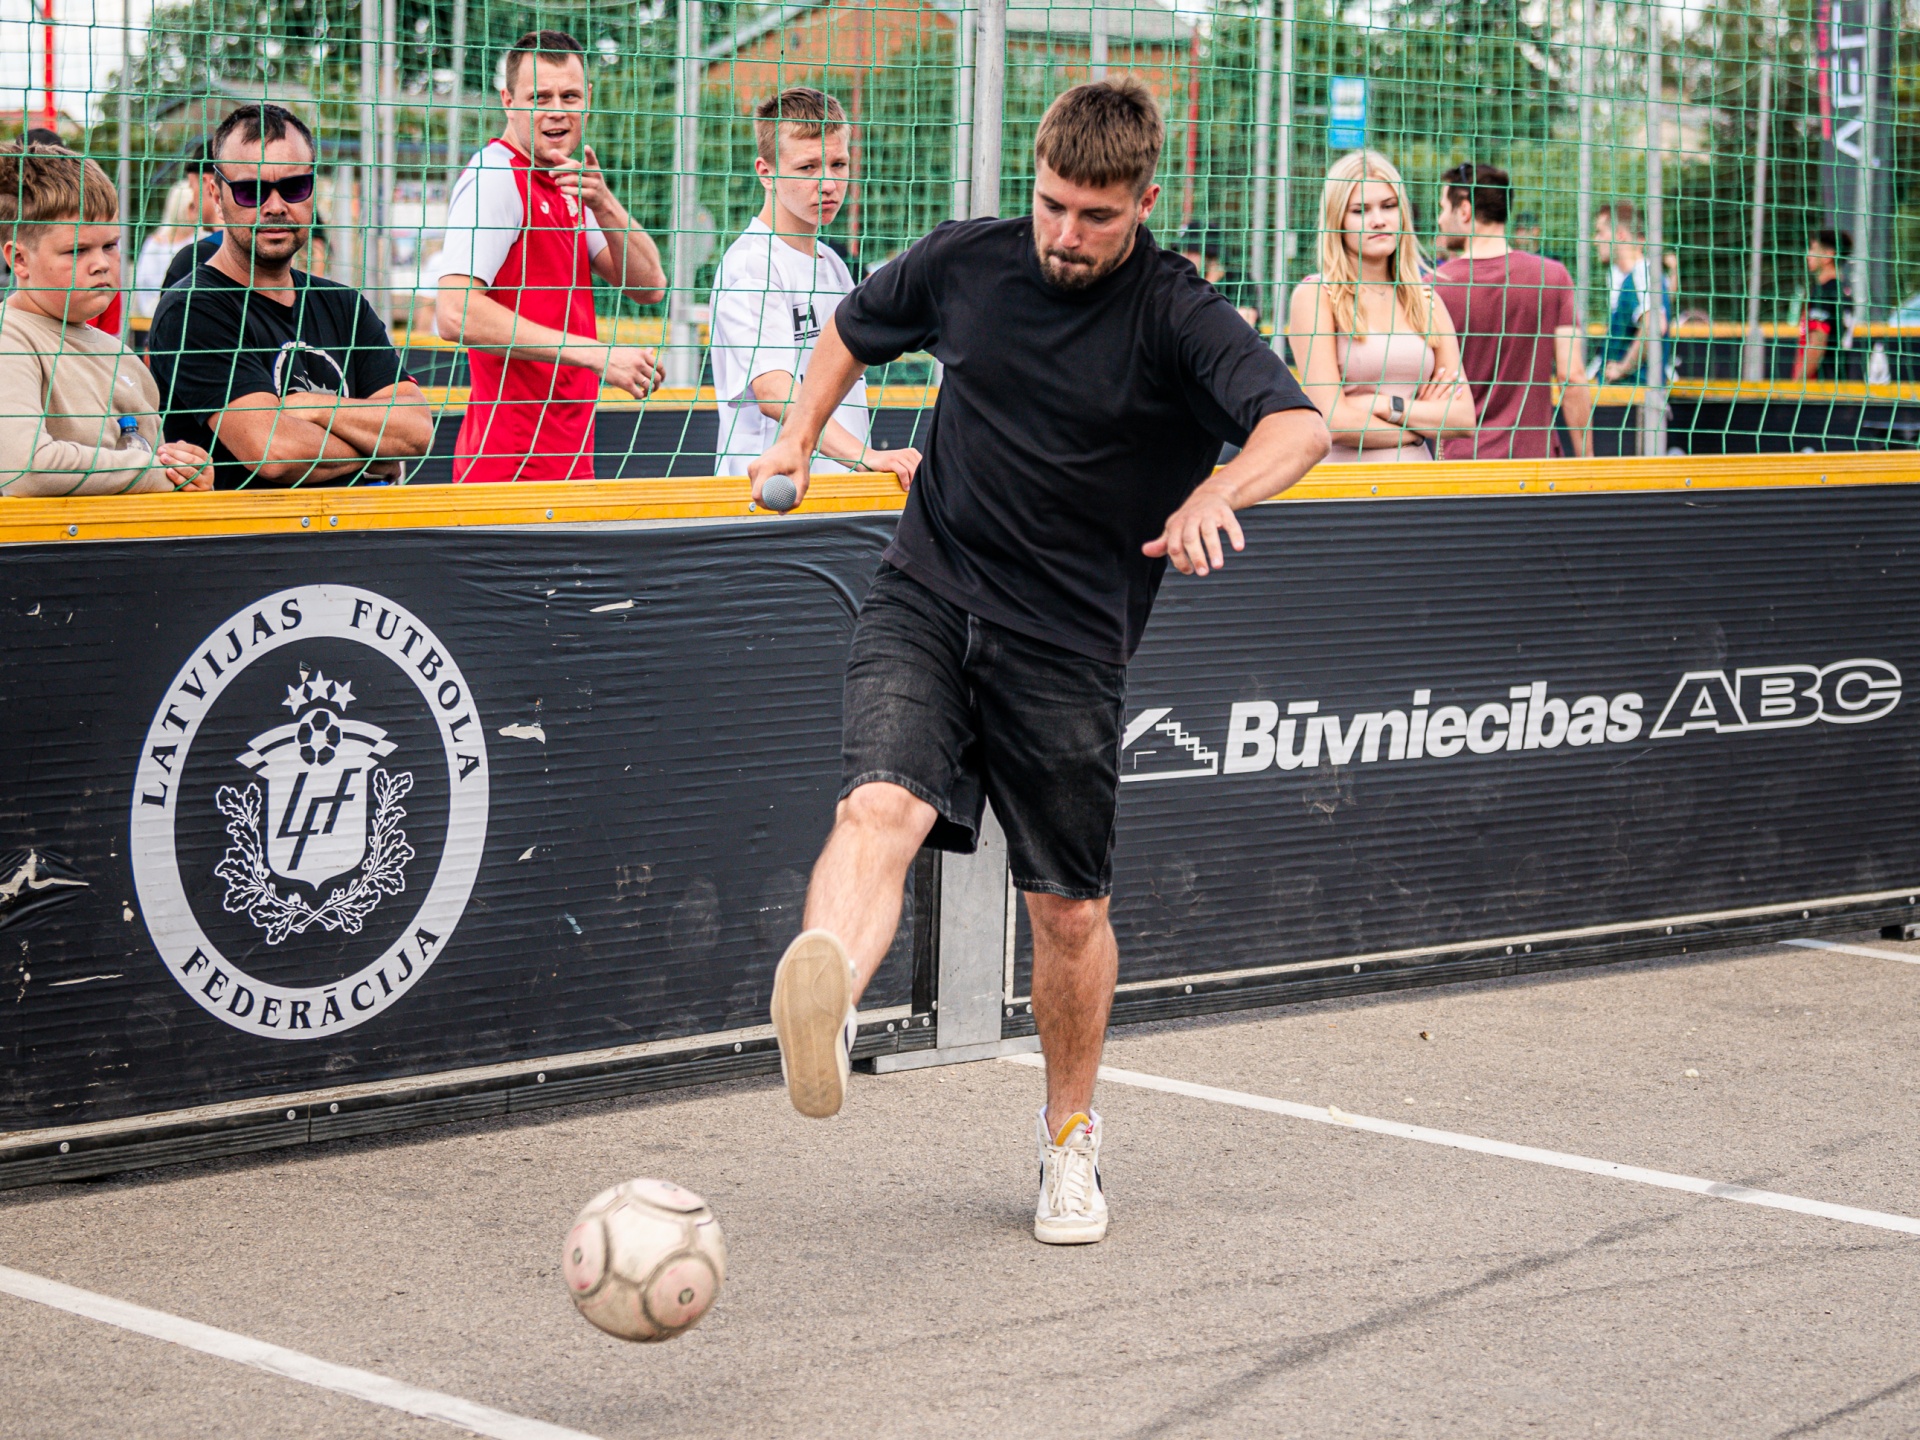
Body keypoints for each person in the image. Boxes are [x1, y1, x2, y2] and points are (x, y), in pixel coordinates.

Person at [748, 79, 1330, 1245]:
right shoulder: (969, 261)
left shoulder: (1177, 315)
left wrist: (1218, 489)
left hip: (1065, 643)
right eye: (1052, 204)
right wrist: (797, 439)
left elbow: (1300, 423)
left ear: (1144, 203)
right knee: (879, 805)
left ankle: (1070, 1142)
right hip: (927, 593)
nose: (1065, 233)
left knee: (1066, 913)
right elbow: (853, 328)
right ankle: (830, 1003)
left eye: (1095, 216)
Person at [148, 103, 434, 489]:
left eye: (295, 187)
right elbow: (275, 451)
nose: (275, 206)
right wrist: (372, 457)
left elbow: (416, 430)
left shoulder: (345, 306)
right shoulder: (192, 309)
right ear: (216, 194)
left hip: (357, 527)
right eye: (251, 191)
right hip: (252, 528)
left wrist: (312, 407)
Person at [435, 29, 668, 483]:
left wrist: (605, 203)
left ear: (588, 99)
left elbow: (650, 287)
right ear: (508, 101)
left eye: (569, 96)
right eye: (539, 97)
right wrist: (599, 355)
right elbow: (454, 313)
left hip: (567, 460)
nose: (556, 111)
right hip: (509, 470)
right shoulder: (495, 177)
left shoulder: (567, 180)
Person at [709, 87, 918, 484]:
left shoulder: (833, 264)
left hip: (839, 491)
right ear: (766, 173)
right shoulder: (751, 266)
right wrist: (865, 456)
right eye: (808, 167)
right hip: (771, 498)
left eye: (838, 164)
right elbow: (774, 391)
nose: (828, 183)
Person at [0, 142, 212, 495]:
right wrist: (156, 474)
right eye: (77, 250)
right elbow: (24, 468)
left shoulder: (124, 358)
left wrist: (187, 474)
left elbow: (157, 469)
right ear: (19, 259)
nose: (101, 263)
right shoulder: (10, 340)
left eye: (110, 245)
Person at [1286, 150, 1474, 463]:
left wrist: (1386, 406)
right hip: (1347, 483)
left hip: (1418, 481)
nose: (1378, 220)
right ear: (1338, 220)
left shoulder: (1426, 300)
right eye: (1360, 210)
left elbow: (1463, 418)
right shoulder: (1317, 296)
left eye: (1389, 206)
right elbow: (1333, 421)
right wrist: (1418, 430)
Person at [1432, 161, 1593, 459]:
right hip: (1535, 463)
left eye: (1443, 208)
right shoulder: (1552, 277)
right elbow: (1572, 376)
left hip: (1462, 463)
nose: (1440, 220)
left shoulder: (1434, 287)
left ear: (1464, 210)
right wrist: (1588, 462)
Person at [1593, 202, 1669, 384]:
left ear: (1620, 235)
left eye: (1600, 232)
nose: (1595, 240)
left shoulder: (1642, 274)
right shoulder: (1624, 277)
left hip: (1634, 391)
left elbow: (1655, 326)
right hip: (1623, 392)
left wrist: (1623, 368)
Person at [132, 179, 205, 319]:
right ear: (178, 206)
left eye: (198, 204)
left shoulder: (204, 240)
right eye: (191, 206)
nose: (196, 210)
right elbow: (144, 283)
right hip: (155, 312)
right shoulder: (155, 243)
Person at [160, 141, 225, 292]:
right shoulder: (261, 251)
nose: (193, 200)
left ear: (208, 184)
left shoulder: (192, 260)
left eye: (192, 187)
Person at [1792, 228, 1852, 382]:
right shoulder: (1844, 290)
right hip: (1838, 380)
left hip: (1819, 385)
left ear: (1828, 255)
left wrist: (1796, 384)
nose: (1808, 256)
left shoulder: (1824, 293)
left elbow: (1817, 344)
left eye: (1813, 249)